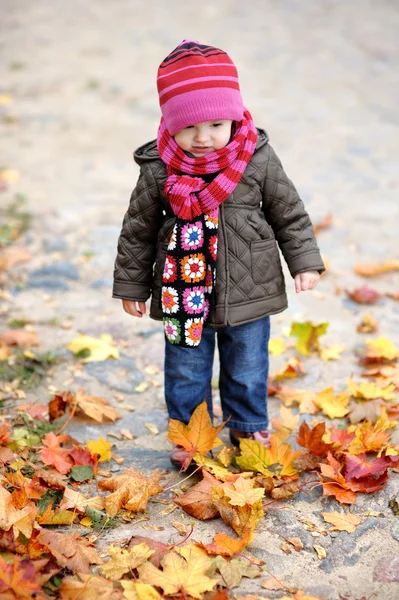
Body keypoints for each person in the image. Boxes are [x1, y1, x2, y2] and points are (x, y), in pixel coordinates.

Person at [112, 40, 324, 467]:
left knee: (247, 366)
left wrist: (304, 261)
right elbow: (138, 231)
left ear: (234, 116)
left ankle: (248, 426)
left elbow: (289, 213)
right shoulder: (159, 168)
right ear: (170, 124)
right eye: (189, 128)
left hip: (250, 288)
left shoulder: (257, 159)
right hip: (180, 291)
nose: (203, 138)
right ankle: (191, 434)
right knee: (185, 370)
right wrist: (131, 285)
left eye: (214, 124)